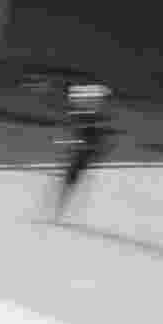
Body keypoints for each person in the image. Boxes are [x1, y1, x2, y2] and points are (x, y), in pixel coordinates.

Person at [51, 83, 117, 223]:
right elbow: (84, 127)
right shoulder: (84, 103)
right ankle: (59, 211)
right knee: (72, 177)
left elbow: (84, 128)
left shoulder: (82, 102)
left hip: (86, 146)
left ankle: (59, 211)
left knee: (71, 178)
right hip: (87, 144)